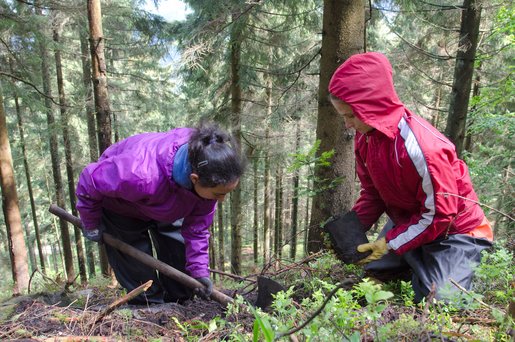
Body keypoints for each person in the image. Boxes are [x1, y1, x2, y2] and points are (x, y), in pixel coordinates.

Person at [328, 52, 493, 303]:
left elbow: (439, 215)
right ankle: (415, 261)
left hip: (456, 231)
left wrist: (390, 244)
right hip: (412, 220)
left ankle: (444, 263)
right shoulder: (366, 138)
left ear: (371, 105)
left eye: (351, 115)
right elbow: (373, 193)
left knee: (439, 300)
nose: (348, 125)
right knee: (369, 278)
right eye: (344, 117)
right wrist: (351, 230)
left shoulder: (422, 149)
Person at [76, 122, 245, 304]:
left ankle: (179, 302)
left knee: (180, 267)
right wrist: (91, 223)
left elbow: (197, 230)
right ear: (194, 179)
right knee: (137, 268)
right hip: (122, 205)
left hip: (170, 202)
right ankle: (147, 305)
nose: (222, 199)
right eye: (219, 194)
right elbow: (90, 179)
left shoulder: (208, 178)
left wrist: (199, 272)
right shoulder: (138, 173)